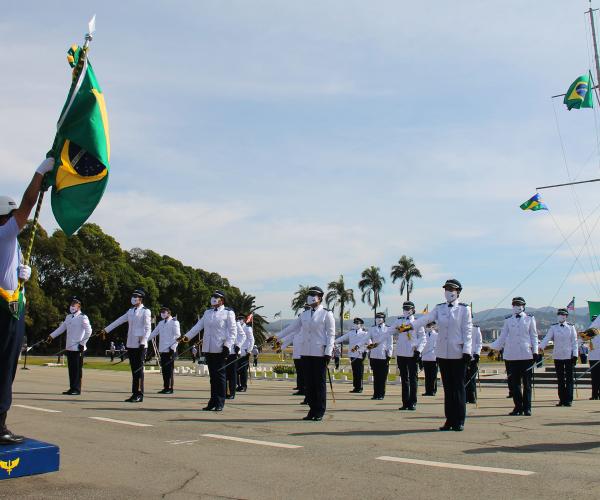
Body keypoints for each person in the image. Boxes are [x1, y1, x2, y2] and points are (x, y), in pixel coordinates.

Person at [0, 157, 54, 444]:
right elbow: (27, 205)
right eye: (11, 216)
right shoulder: (4, 234)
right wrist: (38, 175)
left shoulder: (9, 242)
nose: (16, 219)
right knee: (4, 367)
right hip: (4, 310)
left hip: (13, 305)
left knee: (7, 366)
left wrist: (22, 280)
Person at [410, 279, 472, 431]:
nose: (448, 292)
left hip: (458, 353)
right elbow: (426, 319)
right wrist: (409, 325)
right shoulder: (440, 308)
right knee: (448, 388)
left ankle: (459, 420)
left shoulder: (464, 309)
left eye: (451, 289)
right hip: (443, 353)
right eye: (446, 289)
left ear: (458, 292)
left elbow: (468, 331)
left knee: (458, 388)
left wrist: (467, 351)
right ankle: (449, 419)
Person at [275, 286, 335, 421]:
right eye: (309, 295)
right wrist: (276, 337)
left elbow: (331, 335)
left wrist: (328, 352)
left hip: (319, 353)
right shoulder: (305, 314)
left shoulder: (327, 313)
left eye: (313, 295)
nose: (310, 297)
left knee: (319, 383)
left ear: (320, 297)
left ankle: (319, 410)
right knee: (309, 383)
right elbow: (292, 328)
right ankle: (312, 410)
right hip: (306, 352)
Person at [179, 290, 236, 411]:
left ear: (222, 300)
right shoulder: (208, 312)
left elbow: (233, 332)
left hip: (220, 348)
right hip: (209, 348)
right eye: (212, 297)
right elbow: (198, 326)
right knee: (213, 377)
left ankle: (220, 401)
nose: (213, 298)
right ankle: (212, 401)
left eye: (216, 297)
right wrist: (187, 336)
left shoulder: (228, 313)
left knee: (220, 376)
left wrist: (227, 346)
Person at [490, 297, 539, 416]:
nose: (516, 306)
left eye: (519, 304)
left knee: (527, 384)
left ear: (523, 306)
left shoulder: (529, 319)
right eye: (514, 304)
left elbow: (534, 336)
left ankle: (527, 408)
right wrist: (494, 349)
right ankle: (518, 407)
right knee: (515, 384)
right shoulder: (508, 320)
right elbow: (502, 336)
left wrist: (536, 352)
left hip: (526, 355)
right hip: (512, 356)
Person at [102, 288, 152, 403]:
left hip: (140, 345)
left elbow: (148, 328)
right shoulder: (130, 311)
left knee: (139, 370)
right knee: (134, 370)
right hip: (131, 343)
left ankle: (139, 394)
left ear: (141, 299)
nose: (133, 298)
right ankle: (134, 393)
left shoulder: (146, 311)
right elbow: (119, 321)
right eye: (133, 296)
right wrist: (106, 330)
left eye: (136, 296)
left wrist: (144, 342)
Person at [46, 296, 92, 395]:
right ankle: (72, 388)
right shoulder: (68, 317)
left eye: (74, 305)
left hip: (78, 348)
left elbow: (89, 331)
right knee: (71, 369)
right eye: (71, 304)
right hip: (70, 347)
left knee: (77, 369)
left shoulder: (83, 317)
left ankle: (77, 389)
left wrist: (82, 343)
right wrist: (51, 336)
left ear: (79, 307)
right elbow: (62, 328)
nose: (72, 306)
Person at [539, 308, 577, 407]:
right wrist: (540, 347)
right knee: (560, 379)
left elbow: (574, 342)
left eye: (563, 315)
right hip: (558, 356)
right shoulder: (554, 327)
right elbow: (547, 338)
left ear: (566, 316)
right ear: (557, 316)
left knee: (569, 379)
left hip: (569, 356)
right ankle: (562, 399)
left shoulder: (571, 327)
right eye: (560, 314)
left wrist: (575, 355)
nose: (561, 316)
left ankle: (568, 399)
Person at [392, 301, 426, 411]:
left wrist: (419, 351)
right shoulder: (399, 320)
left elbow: (423, 338)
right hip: (401, 353)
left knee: (413, 379)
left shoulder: (417, 322)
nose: (405, 310)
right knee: (404, 379)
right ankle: (405, 402)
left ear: (413, 310)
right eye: (404, 308)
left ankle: (413, 402)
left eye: (408, 308)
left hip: (412, 354)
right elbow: (390, 331)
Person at [147, 306, 180, 394]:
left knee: (169, 370)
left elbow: (178, 336)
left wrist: (173, 349)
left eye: (164, 312)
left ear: (169, 313)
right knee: (164, 369)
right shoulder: (161, 323)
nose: (162, 313)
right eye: (161, 312)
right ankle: (165, 387)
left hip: (170, 349)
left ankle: (170, 388)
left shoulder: (174, 322)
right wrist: (145, 340)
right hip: (162, 349)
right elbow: (154, 333)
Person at [334, 318, 370, 393]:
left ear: (361, 325)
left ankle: (360, 387)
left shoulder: (364, 333)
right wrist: (333, 342)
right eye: (355, 323)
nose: (356, 325)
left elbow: (370, 344)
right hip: (352, 354)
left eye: (357, 323)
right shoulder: (351, 333)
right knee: (354, 371)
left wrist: (365, 351)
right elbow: (342, 338)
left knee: (359, 371)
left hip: (360, 355)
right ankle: (356, 387)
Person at [368, 312, 393, 400]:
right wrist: (370, 347)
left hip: (383, 355)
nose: (378, 319)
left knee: (382, 377)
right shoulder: (372, 329)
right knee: (376, 376)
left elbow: (390, 343)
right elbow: (368, 339)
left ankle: (381, 394)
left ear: (383, 319)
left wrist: (389, 354)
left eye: (380, 318)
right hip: (374, 355)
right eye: (377, 317)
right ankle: (376, 394)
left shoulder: (388, 329)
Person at [583, 314, 600, 400]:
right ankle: (594, 394)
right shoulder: (589, 332)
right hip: (593, 356)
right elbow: (584, 341)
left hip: (599, 356)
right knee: (594, 377)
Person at [465, 322, 482, 404]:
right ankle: (464, 397)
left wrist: (477, 354)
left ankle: (472, 397)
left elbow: (479, 343)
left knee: (472, 379)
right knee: (464, 378)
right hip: (463, 358)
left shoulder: (475, 329)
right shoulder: (460, 328)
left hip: (472, 358)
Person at [237, 317, 254, 392]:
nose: (238, 321)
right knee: (236, 370)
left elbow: (252, 340)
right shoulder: (236, 326)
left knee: (243, 370)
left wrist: (249, 350)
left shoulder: (247, 328)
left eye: (240, 319)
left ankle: (244, 386)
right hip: (236, 352)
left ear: (243, 320)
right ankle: (238, 385)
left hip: (244, 352)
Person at [421, 322, 438, 396]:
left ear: (433, 326)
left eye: (429, 326)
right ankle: (427, 390)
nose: (428, 327)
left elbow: (438, 347)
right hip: (425, 357)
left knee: (433, 376)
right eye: (427, 326)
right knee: (427, 376)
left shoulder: (436, 335)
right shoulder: (424, 335)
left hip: (434, 358)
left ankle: (433, 390)